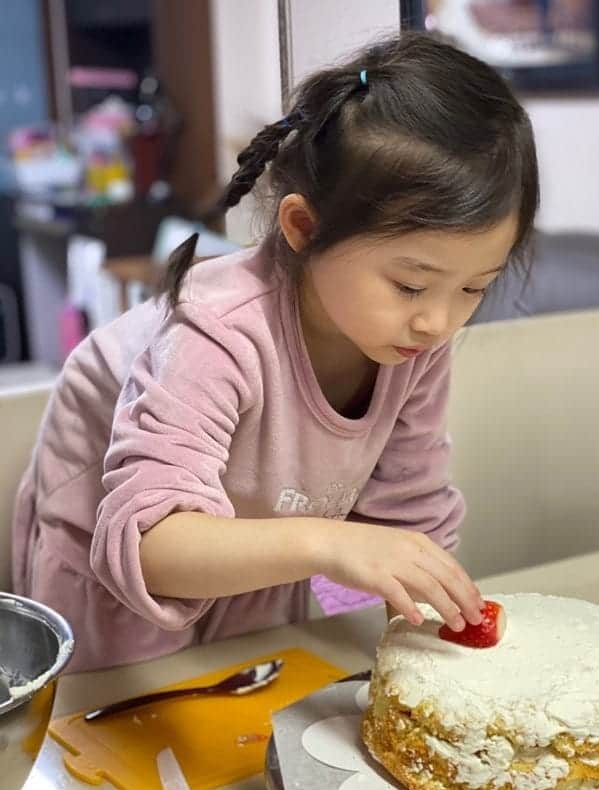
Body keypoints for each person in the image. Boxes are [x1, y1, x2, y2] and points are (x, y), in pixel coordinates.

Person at [13, 31, 539, 672]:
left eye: (474, 288)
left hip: (256, 562)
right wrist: (330, 543)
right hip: (122, 575)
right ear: (302, 229)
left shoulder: (410, 339)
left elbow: (411, 516)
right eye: (409, 284)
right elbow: (151, 545)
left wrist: (433, 633)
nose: (438, 321)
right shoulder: (218, 331)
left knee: (252, 707)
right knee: (132, 745)